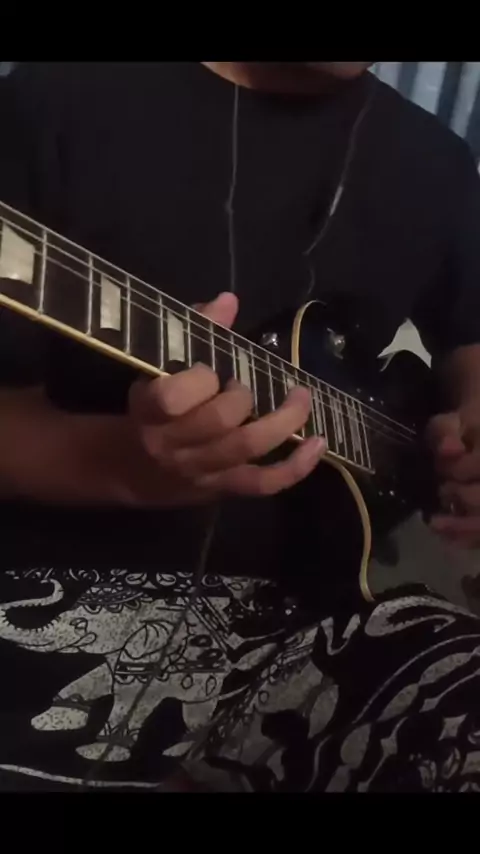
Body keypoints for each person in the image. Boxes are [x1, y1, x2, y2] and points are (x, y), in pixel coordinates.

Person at [0, 61, 480, 792]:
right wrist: (125, 469)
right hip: (63, 607)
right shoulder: (55, 101)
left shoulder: (438, 161)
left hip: (345, 618)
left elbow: (470, 341)